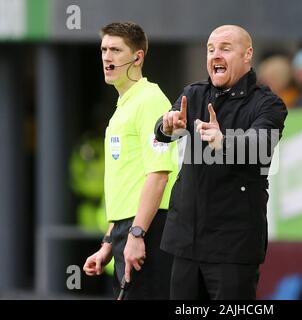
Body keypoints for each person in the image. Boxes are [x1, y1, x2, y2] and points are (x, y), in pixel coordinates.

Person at [154, 25, 288, 299]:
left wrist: (223, 141)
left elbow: (260, 146)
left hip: (233, 247)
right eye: (211, 49)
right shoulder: (193, 94)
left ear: (247, 54)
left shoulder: (268, 104)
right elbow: (161, 131)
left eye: (225, 48)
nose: (216, 55)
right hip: (186, 243)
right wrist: (167, 127)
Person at [83, 22, 178, 299]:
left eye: (115, 50)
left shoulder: (150, 101)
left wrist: (137, 235)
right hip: (127, 230)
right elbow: (124, 186)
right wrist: (108, 243)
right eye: (103, 49)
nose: (106, 57)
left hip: (149, 229)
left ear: (138, 57)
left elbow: (159, 173)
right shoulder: (122, 108)